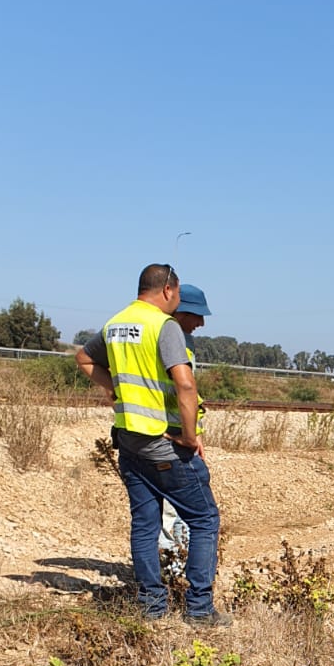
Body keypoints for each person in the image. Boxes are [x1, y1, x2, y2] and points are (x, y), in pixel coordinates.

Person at [76, 264, 228, 626]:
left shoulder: (116, 324)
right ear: (168, 291)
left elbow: (83, 358)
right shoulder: (164, 326)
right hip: (165, 444)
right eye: (176, 296)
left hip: (129, 442)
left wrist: (114, 390)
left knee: (144, 524)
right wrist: (190, 438)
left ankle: (151, 606)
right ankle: (199, 609)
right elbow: (186, 385)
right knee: (205, 519)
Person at [160, 282, 213, 557]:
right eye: (197, 315)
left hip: (182, 432)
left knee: (178, 507)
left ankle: (175, 563)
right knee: (174, 508)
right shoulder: (166, 336)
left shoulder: (184, 341)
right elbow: (183, 388)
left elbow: (192, 391)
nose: (201, 323)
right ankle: (172, 569)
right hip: (167, 434)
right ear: (180, 312)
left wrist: (196, 433)